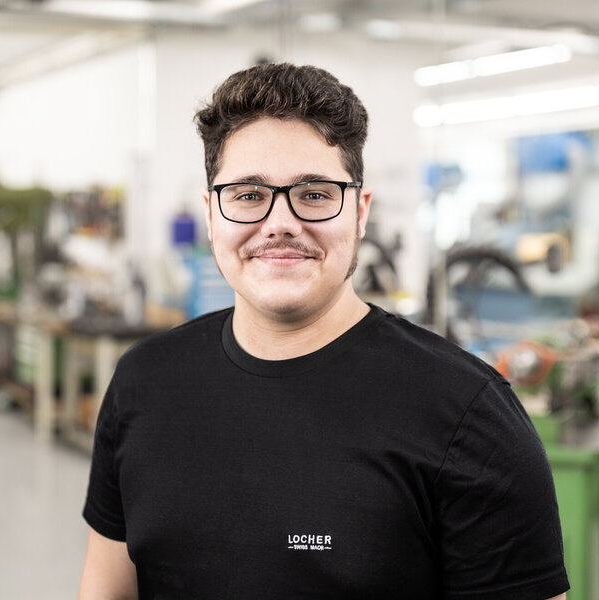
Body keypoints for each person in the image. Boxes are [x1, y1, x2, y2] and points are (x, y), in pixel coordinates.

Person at [78, 63, 569, 600]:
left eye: (314, 193)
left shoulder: (470, 417)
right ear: (211, 214)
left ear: (360, 212)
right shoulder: (143, 382)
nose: (280, 223)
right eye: (247, 194)